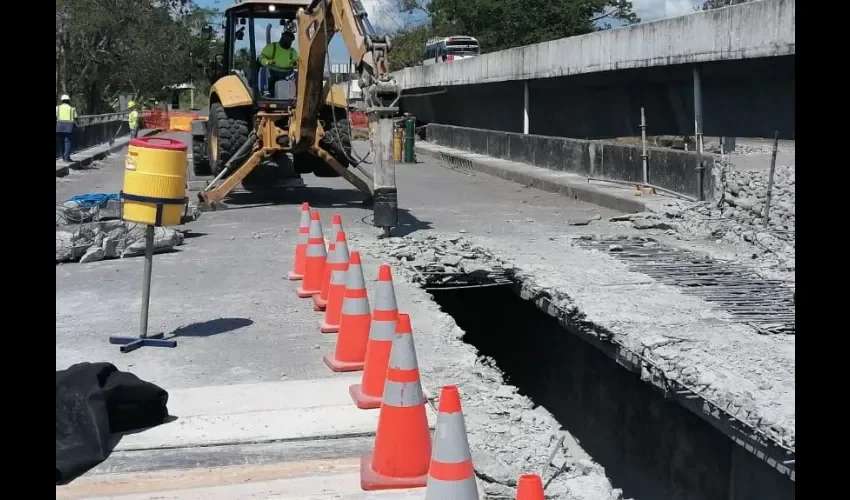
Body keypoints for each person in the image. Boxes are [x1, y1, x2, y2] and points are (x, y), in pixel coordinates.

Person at [259, 31, 299, 97]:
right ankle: (264, 91)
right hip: (272, 72)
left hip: (286, 74)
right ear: (282, 37)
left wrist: (295, 63)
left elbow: (298, 63)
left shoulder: (292, 51)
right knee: (263, 70)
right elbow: (261, 58)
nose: (288, 42)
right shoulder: (272, 47)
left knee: (296, 73)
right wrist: (267, 62)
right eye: (287, 39)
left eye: (290, 40)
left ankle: (297, 94)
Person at [56, 94, 78, 163]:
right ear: (69, 101)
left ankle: (63, 156)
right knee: (68, 142)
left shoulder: (57, 108)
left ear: (62, 101)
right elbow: (76, 118)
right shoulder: (72, 109)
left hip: (59, 127)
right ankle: (67, 157)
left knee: (61, 142)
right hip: (69, 127)